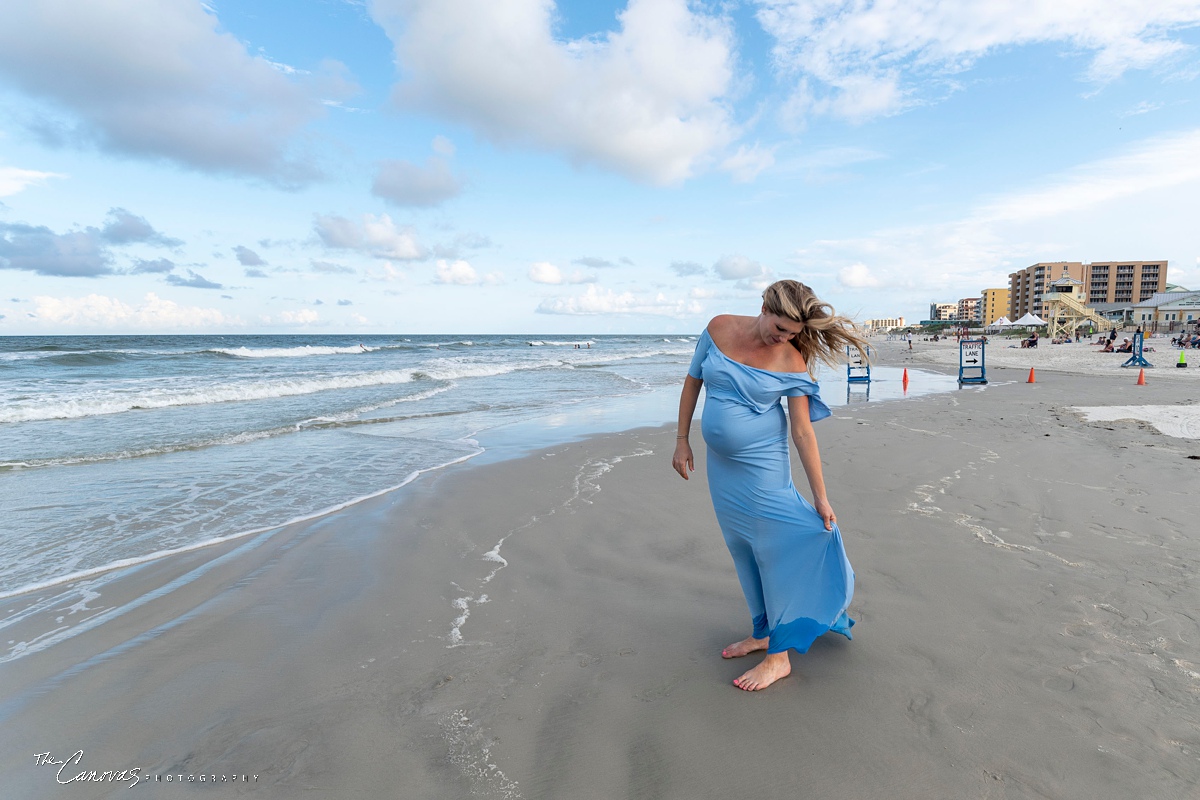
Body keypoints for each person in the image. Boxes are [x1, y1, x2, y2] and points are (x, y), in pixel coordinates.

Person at [672, 280, 864, 691]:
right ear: (764, 306)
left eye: (793, 333)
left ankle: (779, 658)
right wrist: (681, 439)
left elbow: (802, 431)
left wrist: (820, 496)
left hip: (763, 469)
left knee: (772, 552)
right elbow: (693, 381)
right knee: (742, 549)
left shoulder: (791, 361)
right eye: (780, 328)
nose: (784, 337)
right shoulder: (719, 327)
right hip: (723, 469)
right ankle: (761, 632)